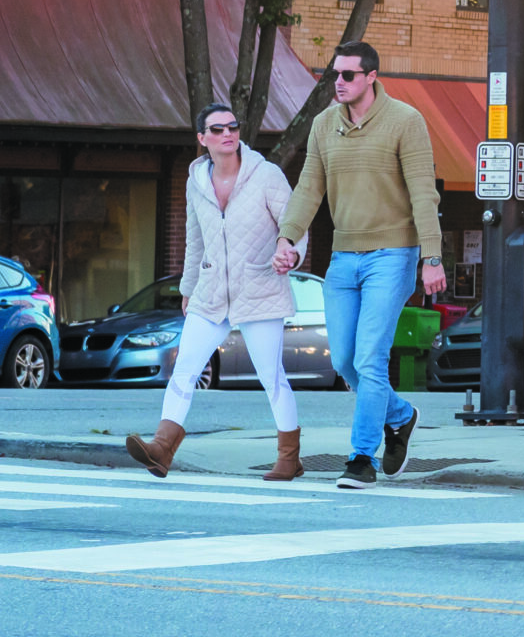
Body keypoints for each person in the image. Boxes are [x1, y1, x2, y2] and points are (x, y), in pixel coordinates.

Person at [274, 42, 445, 489]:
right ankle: (401, 415)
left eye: (348, 75)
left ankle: (361, 458)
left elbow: (424, 193)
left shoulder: (406, 121)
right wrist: (287, 238)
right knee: (347, 361)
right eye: (335, 75)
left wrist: (432, 257)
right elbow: (309, 188)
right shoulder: (323, 125)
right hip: (343, 259)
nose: (339, 83)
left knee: (371, 358)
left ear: (371, 77)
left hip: (393, 254)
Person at [126, 104, 305, 481]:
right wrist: (188, 288)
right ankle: (161, 448)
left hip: (259, 288)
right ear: (202, 138)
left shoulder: (266, 175)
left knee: (271, 376)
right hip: (210, 292)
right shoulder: (197, 181)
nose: (228, 133)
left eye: (233, 126)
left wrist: (290, 252)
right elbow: (196, 239)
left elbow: (295, 223)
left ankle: (289, 458)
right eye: (218, 128)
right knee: (184, 370)